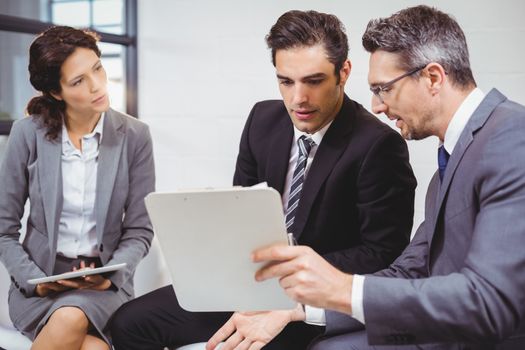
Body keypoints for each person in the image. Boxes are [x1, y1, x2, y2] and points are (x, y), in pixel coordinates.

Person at [111, 9, 416, 350]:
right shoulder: (262, 119)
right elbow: (238, 210)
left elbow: (383, 253)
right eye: (286, 81)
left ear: (343, 72)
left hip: (313, 299)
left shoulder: (378, 145)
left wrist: (291, 272)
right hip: (248, 284)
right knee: (127, 323)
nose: (298, 98)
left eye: (313, 81)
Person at [242, 5, 525, 349]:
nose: (376, 106)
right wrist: (302, 307)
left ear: (433, 78)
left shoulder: (511, 135)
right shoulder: (447, 171)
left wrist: (341, 288)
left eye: (384, 89)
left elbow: (491, 300)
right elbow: (407, 272)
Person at [0, 26, 155, 349]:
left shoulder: (135, 136)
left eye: (97, 68)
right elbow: (3, 228)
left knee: (70, 317)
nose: (97, 85)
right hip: (39, 285)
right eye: (78, 81)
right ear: (56, 93)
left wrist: (110, 276)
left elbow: (140, 229)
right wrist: (36, 283)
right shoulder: (27, 134)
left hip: (103, 287)